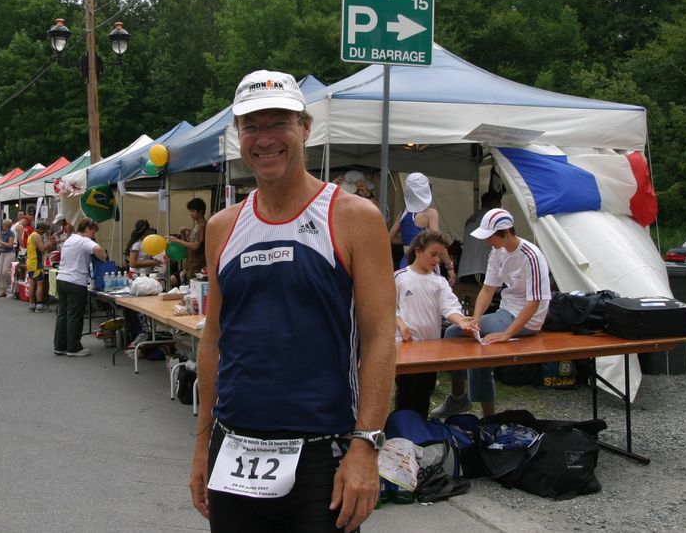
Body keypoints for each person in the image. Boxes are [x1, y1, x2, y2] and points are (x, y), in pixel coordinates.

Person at [189, 70, 395, 533]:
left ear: (305, 127)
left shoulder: (354, 218)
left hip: (322, 449)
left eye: (278, 123)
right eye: (251, 127)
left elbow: (381, 338)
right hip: (235, 448)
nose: (265, 140)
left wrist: (365, 446)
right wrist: (203, 445)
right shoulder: (224, 226)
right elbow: (213, 340)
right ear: (238, 136)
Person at [440, 208, 551, 417]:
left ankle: (484, 413)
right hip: (506, 312)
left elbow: (535, 302)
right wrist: (475, 319)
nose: (487, 241)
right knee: (455, 333)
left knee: (476, 343)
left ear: (506, 232)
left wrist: (507, 333)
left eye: (490, 236)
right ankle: (459, 398)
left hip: (527, 319)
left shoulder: (531, 255)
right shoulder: (497, 252)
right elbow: (488, 288)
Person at [393, 230, 469, 418]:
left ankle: (422, 432)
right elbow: (388, 308)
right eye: (433, 254)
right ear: (418, 251)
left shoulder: (440, 282)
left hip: (430, 349)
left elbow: (450, 307)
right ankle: (403, 431)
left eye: (440, 256)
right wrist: (401, 324)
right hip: (406, 347)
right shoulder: (399, 277)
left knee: (425, 392)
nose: (437, 260)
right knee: (406, 393)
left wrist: (461, 321)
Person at [53, 217, 107, 357]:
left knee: (63, 314)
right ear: (88, 229)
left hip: (61, 278)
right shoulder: (84, 240)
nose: (94, 235)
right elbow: (98, 249)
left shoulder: (69, 239)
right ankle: (74, 347)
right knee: (75, 314)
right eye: (93, 232)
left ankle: (60, 345)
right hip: (76, 281)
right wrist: (104, 258)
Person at [166, 198, 207, 285]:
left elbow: (195, 246)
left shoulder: (202, 226)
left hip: (197, 268)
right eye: (190, 211)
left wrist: (177, 240)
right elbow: (187, 247)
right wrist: (183, 235)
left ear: (200, 211)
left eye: (193, 211)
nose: (191, 214)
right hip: (191, 268)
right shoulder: (197, 226)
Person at [26, 222, 55, 312]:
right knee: (40, 284)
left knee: (32, 284)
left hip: (30, 262)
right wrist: (49, 243)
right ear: (40, 229)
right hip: (36, 263)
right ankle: (39, 305)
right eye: (44, 231)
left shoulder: (31, 235)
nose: (44, 233)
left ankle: (32, 304)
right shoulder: (37, 236)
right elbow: (42, 249)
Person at [0, 218, 15, 298]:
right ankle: (3, 290)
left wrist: (1, 242)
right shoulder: (3, 233)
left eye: (4, 224)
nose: (2, 226)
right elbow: (2, 244)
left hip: (9, 253)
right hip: (3, 253)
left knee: (5, 271)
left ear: (7, 226)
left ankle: (12, 283)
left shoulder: (11, 234)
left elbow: (10, 245)